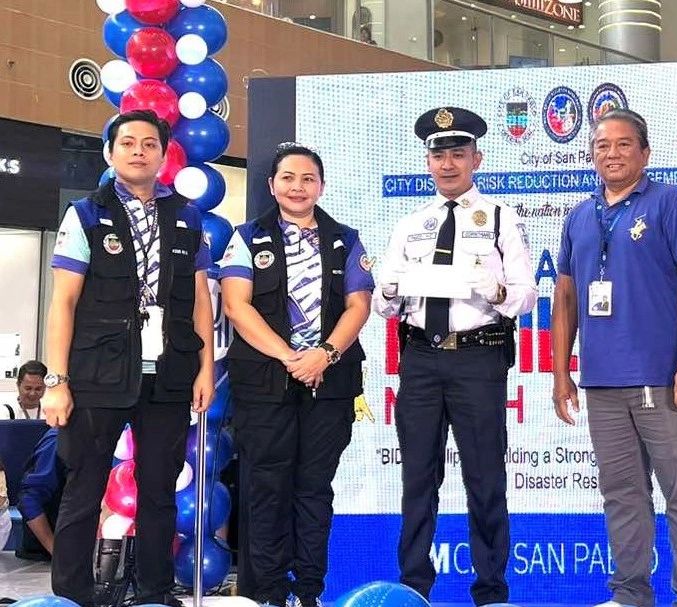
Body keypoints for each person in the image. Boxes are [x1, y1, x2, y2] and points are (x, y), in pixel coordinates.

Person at [41, 109, 215, 607]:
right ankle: (72, 595)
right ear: (110, 153)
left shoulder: (185, 214)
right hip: (98, 374)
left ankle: (155, 592)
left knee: (159, 490)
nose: (139, 151)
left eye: (149, 144)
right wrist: (57, 379)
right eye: (128, 143)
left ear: (163, 155)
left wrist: (206, 369)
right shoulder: (86, 213)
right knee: (83, 487)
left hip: (168, 376)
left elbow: (200, 299)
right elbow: (64, 301)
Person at [552, 108, 677, 607]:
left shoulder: (672, 203)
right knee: (622, 497)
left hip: (664, 378)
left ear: (644, 153)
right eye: (602, 145)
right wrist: (562, 373)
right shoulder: (579, 216)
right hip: (600, 383)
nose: (611, 153)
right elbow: (566, 299)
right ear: (591, 154)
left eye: (623, 144)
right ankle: (630, 596)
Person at [373, 106, 536, 605]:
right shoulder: (411, 224)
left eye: (458, 154)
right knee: (417, 477)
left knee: (485, 478)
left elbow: (527, 295)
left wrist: (498, 290)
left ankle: (491, 591)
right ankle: (413, 588)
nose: (448, 164)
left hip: (477, 359)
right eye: (438, 155)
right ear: (428, 162)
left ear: (476, 159)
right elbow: (384, 304)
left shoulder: (501, 218)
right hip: (420, 360)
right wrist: (389, 291)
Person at [219, 143, 373, 607]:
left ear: (321, 186)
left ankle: (309, 592)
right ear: (272, 185)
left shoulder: (346, 239)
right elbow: (236, 305)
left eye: (308, 179)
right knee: (266, 488)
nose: (298, 187)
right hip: (264, 385)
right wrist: (291, 357)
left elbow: (359, 306)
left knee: (313, 490)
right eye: (288, 178)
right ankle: (267, 593)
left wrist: (323, 355)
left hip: (330, 384)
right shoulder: (246, 237)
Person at [15, 428, 65, 561]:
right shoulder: (58, 440)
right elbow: (29, 500)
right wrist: (58, 555)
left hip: (98, 551)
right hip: (49, 554)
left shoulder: (118, 436)